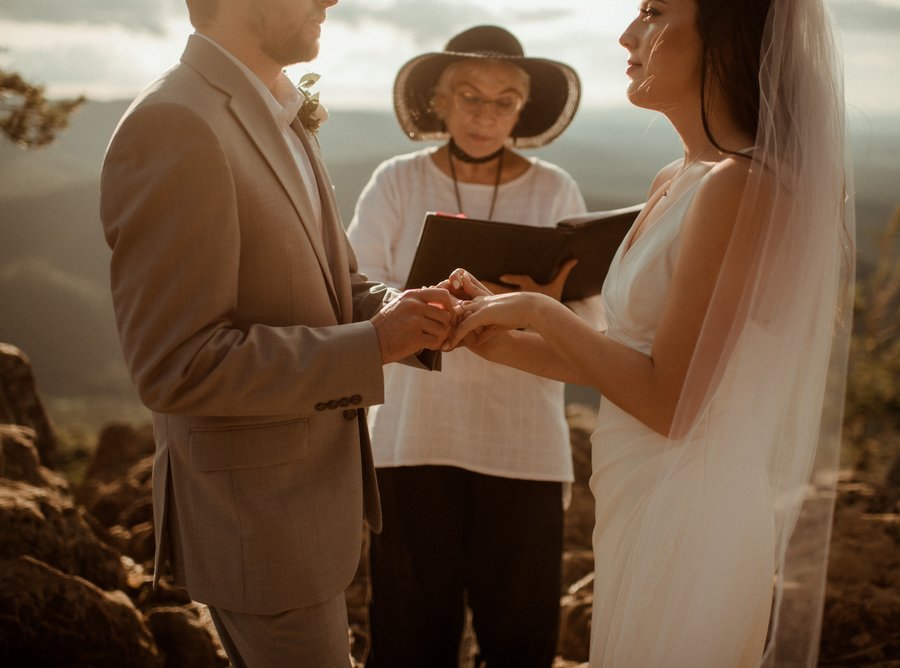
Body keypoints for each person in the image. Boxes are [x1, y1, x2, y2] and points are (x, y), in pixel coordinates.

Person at [446, 0, 854, 665]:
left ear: (726, 39)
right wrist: (497, 334)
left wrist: (539, 311)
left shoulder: (742, 185)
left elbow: (673, 403)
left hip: (693, 518)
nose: (627, 33)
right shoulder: (679, 177)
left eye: (655, 11)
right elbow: (638, 358)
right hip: (639, 501)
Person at [99, 1, 458, 666]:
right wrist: (376, 344)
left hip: (308, 512)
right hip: (256, 527)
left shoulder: (276, 108)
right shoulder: (174, 123)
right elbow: (178, 365)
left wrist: (416, 312)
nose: (331, 0)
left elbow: (336, 286)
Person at [345, 25, 594, 668]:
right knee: (407, 641)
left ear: (523, 108)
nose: (486, 114)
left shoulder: (554, 190)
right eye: (469, 96)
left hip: (525, 448)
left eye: (504, 99)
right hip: (411, 438)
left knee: (520, 642)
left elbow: (588, 315)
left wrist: (543, 303)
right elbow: (354, 287)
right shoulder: (395, 181)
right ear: (441, 101)